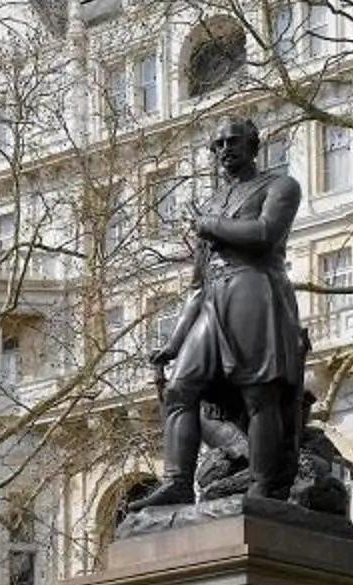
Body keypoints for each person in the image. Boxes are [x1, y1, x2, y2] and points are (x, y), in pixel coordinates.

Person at [130, 115, 312, 510]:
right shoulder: (212, 203)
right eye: (218, 144)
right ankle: (177, 482)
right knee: (179, 388)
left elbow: (265, 234)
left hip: (254, 290)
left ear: (253, 145)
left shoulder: (280, 186)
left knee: (259, 393)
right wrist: (174, 343)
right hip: (213, 299)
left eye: (232, 141)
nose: (225, 149)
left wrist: (209, 225)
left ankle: (263, 488)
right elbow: (197, 284)